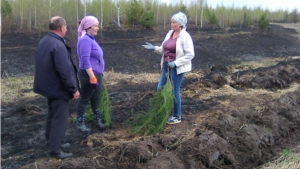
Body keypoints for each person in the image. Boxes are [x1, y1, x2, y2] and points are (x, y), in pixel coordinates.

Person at [33, 16, 80, 159]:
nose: (66, 29)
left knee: (52, 115)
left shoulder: (44, 41)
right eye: (66, 27)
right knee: (60, 118)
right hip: (58, 89)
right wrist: (73, 89)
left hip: (48, 87)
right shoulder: (58, 45)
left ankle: (51, 141)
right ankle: (55, 149)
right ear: (61, 28)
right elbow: (64, 71)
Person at [142, 12, 195, 124]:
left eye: (174, 22)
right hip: (167, 66)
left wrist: (176, 63)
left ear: (180, 24)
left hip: (177, 68)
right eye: (171, 22)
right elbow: (163, 49)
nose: (171, 24)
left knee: (175, 91)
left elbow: (190, 54)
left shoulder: (185, 36)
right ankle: (162, 111)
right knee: (160, 88)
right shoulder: (170, 33)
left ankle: (177, 116)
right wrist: (153, 48)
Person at [76, 15, 106, 131]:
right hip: (88, 75)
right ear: (89, 26)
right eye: (96, 26)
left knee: (96, 98)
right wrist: (92, 77)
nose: (98, 28)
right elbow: (85, 60)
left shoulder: (91, 39)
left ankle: (97, 120)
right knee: (85, 98)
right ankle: (80, 123)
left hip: (96, 74)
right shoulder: (85, 40)